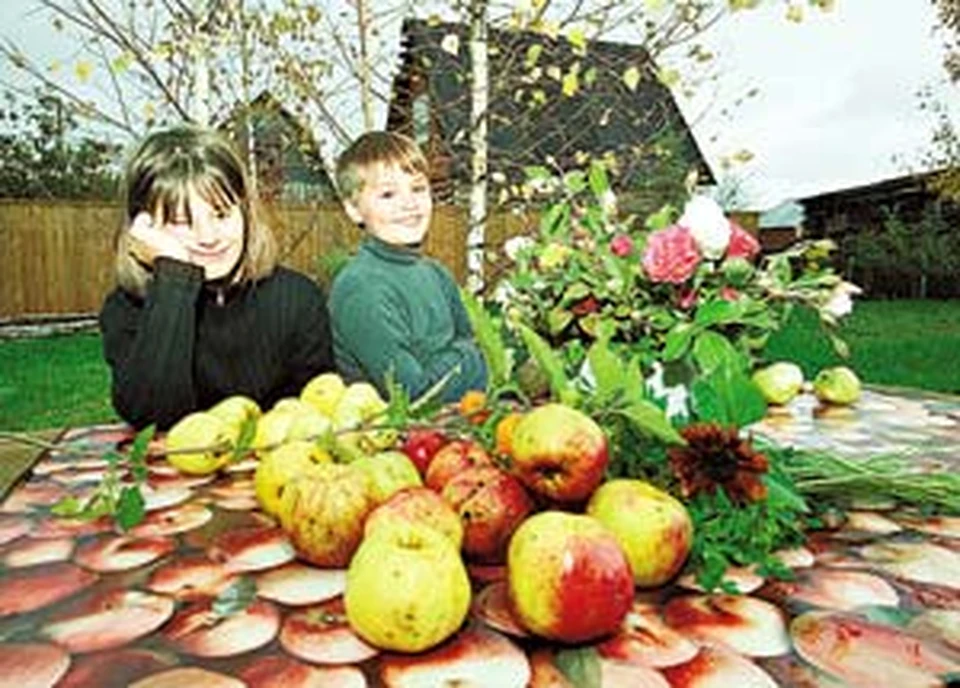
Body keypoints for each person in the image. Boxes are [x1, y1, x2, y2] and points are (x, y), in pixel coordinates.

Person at [99, 125, 335, 430]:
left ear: (245, 212)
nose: (208, 237)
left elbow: (319, 414)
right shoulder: (128, 309)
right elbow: (151, 422)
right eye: (182, 222)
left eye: (222, 214)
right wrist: (174, 279)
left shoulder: (298, 299)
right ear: (143, 230)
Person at [329, 131, 486, 403]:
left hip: (458, 427)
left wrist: (466, 355)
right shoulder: (361, 287)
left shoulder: (436, 273)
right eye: (388, 194)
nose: (409, 204)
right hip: (395, 437)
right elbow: (413, 393)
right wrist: (470, 355)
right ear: (354, 210)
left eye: (418, 188)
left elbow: (475, 346)